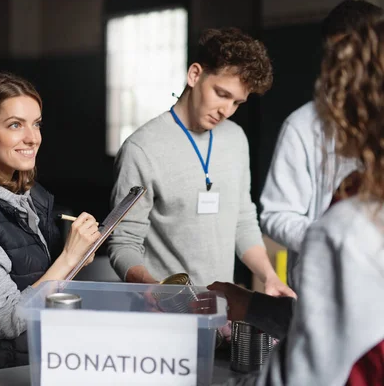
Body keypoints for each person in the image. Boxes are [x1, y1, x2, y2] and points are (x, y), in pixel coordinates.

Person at [211, 17, 384, 385]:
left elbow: (305, 376)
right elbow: (342, 328)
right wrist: (251, 305)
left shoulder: (347, 227)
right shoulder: (355, 195)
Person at [107, 27, 295, 298]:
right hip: (165, 310)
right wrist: (151, 288)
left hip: (220, 310)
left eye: (237, 103)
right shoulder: (141, 148)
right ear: (195, 75)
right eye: (221, 94)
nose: (226, 111)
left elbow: (242, 220)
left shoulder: (236, 139)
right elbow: (123, 241)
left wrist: (269, 277)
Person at [0, 72, 100, 369]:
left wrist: (76, 259)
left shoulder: (27, 192)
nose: (32, 138)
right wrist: (68, 258)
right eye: (15, 125)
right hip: (5, 370)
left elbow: (37, 280)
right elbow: (7, 320)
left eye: (36, 124)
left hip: (38, 356)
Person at [259, 0, 382, 290]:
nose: (341, 69)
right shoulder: (302, 125)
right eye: (333, 56)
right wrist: (329, 239)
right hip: (321, 287)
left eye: (351, 56)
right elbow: (276, 214)